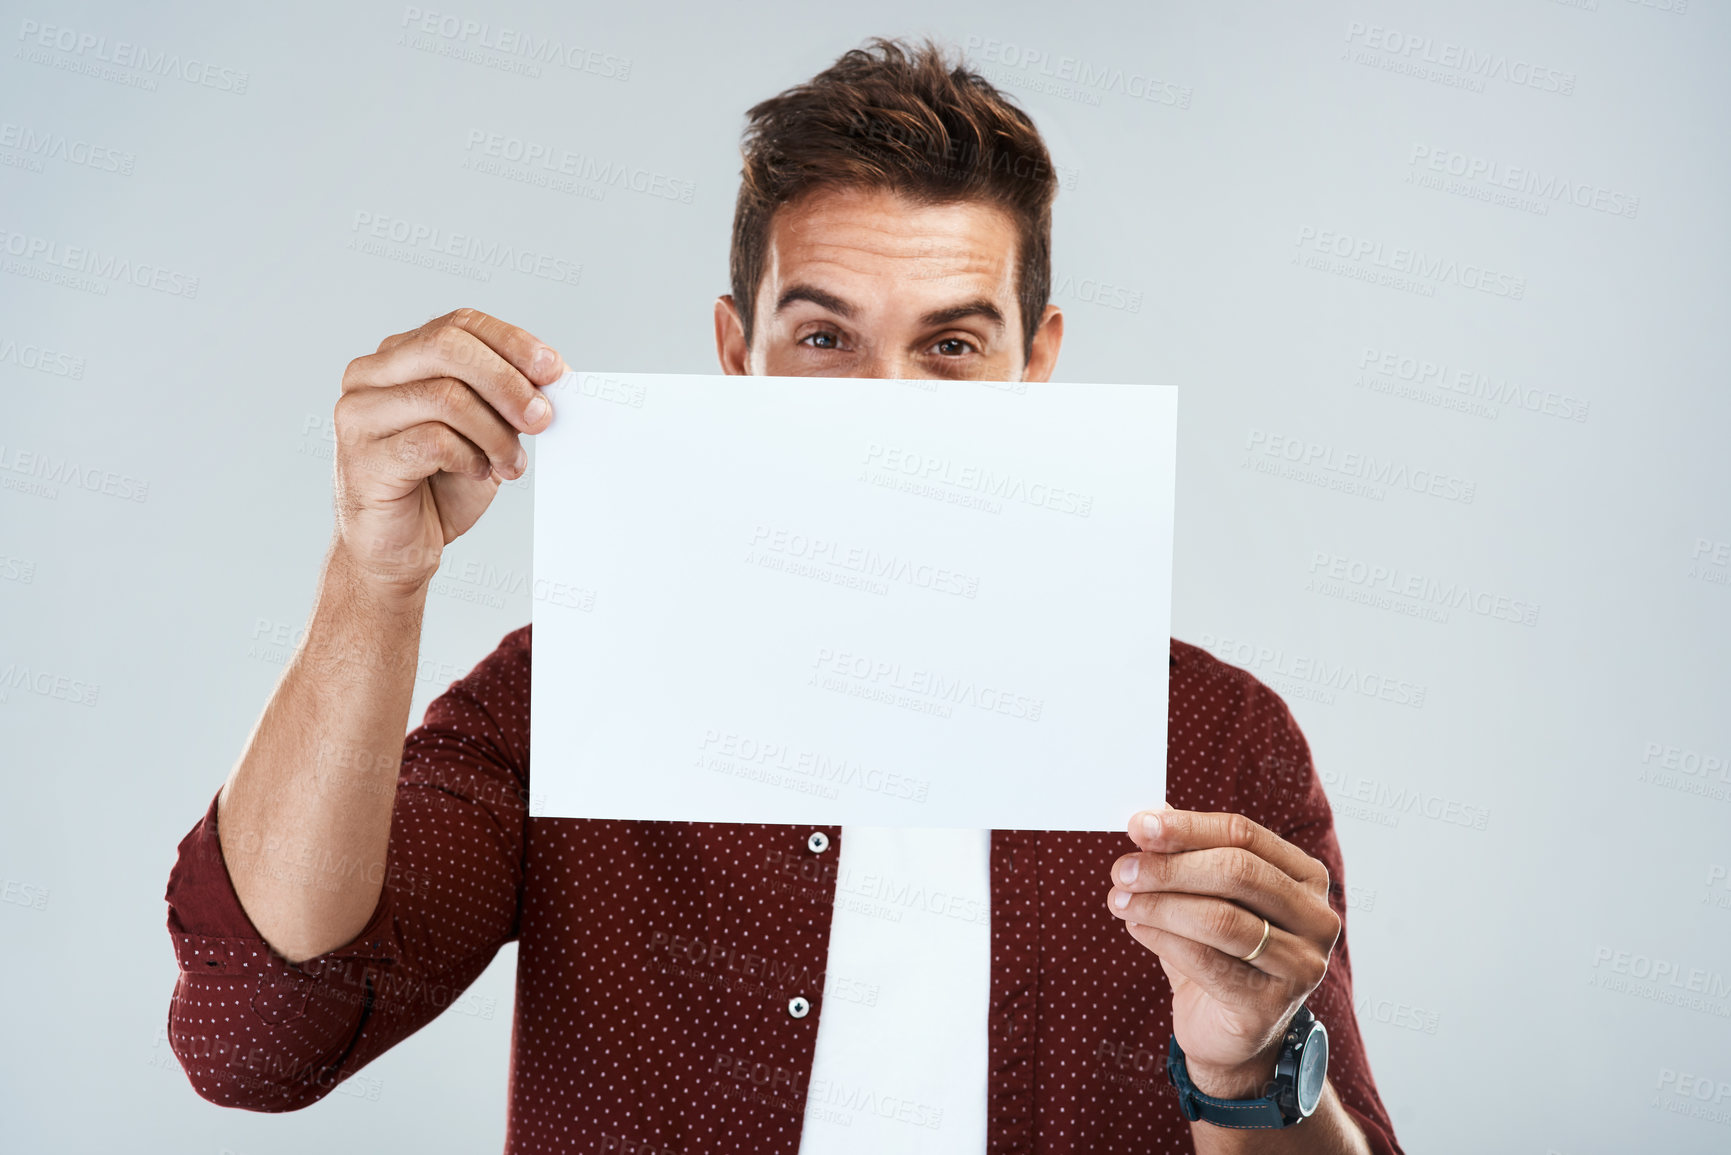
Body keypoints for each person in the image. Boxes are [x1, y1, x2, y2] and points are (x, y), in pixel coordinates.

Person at [163, 36, 1403, 1155]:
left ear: (1039, 365)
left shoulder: (1220, 740)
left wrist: (1247, 1068)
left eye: (953, 346)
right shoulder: (575, 690)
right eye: (824, 339)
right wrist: (376, 577)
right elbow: (259, 1040)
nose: (887, 402)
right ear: (734, 354)